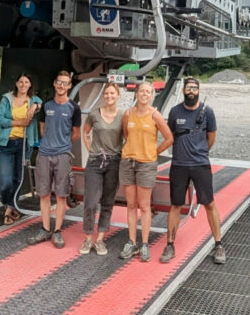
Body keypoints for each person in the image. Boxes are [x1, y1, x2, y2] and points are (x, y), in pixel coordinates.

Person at [160, 76, 226, 265]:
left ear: (199, 91)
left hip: (200, 164)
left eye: (194, 88)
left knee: (209, 203)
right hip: (179, 165)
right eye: (188, 88)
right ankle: (170, 244)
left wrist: (200, 152)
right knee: (176, 205)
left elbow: (211, 138)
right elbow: (170, 135)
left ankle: (219, 244)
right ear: (183, 90)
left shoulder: (208, 113)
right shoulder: (174, 112)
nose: (191, 91)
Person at [119, 81, 173, 262]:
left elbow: (169, 138)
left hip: (146, 164)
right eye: (142, 91)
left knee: (144, 206)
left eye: (148, 92)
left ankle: (144, 243)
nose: (144, 94)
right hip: (128, 162)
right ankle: (131, 241)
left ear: (152, 95)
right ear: (136, 94)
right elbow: (126, 134)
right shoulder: (128, 114)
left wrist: (153, 152)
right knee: (131, 205)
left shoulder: (155, 115)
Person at [27, 70, 81, 248]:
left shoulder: (74, 108)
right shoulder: (47, 106)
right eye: (59, 82)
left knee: (61, 195)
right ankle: (44, 228)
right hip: (44, 154)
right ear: (54, 84)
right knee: (43, 193)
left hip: (63, 155)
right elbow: (42, 130)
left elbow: (76, 134)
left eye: (65, 83)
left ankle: (57, 231)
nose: (61, 86)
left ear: (70, 86)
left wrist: (62, 143)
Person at [79, 82, 123, 256]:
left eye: (113, 93)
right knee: (90, 201)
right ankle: (88, 237)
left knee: (107, 202)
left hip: (114, 162)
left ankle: (100, 239)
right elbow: (85, 132)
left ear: (118, 95)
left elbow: (127, 136)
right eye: (107, 94)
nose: (109, 97)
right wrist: (91, 150)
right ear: (103, 96)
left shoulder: (123, 116)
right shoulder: (94, 115)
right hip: (96, 162)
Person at [0, 72, 42, 224]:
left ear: (30, 85)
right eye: (21, 82)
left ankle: (10, 209)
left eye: (26, 82)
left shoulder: (34, 100)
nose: (23, 85)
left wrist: (35, 106)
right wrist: (19, 122)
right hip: (7, 142)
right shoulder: (7, 99)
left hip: (24, 143)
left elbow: (44, 105)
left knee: (18, 177)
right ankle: (8, 203)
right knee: (6, 181)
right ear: (16, 84)